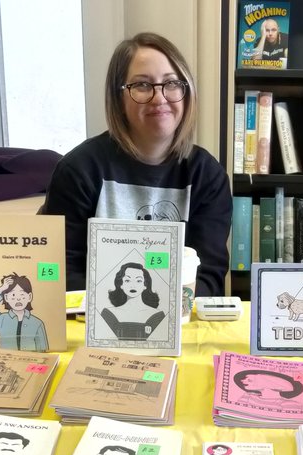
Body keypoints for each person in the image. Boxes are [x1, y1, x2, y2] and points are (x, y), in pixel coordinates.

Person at [41, 33, 231, 297]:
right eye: (142, 85)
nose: (159, 98)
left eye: (171, 83)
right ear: (118, 97)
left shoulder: (207, 175)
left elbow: (209, 278)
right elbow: (60, 271)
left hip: (180, 328)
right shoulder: (79, 169)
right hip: (90, 328)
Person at [0, 274, 49, 351]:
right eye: (13, 295)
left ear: (29, 297)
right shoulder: (2, 320)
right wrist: (1, 289)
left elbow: (43, 350)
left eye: (22, 295)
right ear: (6, 297)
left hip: (30, 361)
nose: (18, 299)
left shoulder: (37, 323)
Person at [100, 262, 167, 339]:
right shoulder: (108, 314)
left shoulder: (157, 316)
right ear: (121, 285)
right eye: (127, 280)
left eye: (138, 281)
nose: (133, 285)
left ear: (145, 285)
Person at [232, 369, 303, 409]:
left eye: (250, 380)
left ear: (267, 383)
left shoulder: (291, 404)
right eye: (245, 379)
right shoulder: (248, 396)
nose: (242, 381)